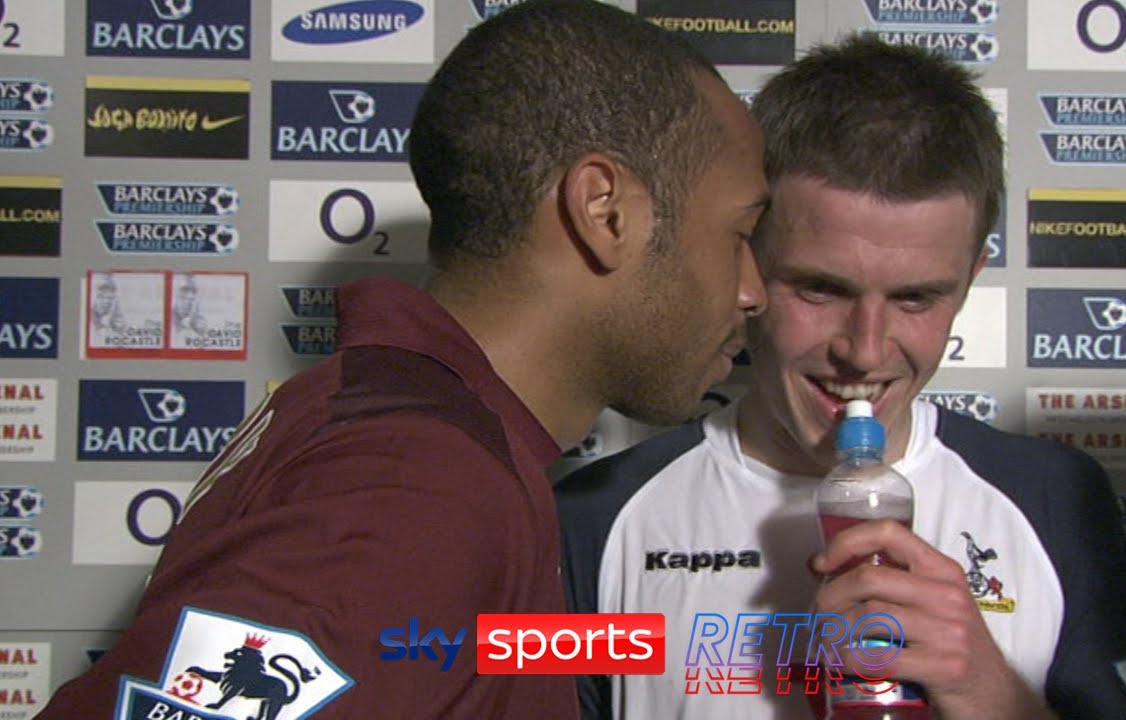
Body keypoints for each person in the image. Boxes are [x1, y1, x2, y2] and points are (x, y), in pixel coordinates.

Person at [39, 1, 767, 718]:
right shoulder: (414, 486)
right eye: (738, 234)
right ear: (605, 212)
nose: (752, 291)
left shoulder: (418, 443)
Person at [557, 34, 1126, 720]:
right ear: (749, 261)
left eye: (915, 298)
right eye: (820, 290)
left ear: (968, 282)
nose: (866, 352)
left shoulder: (1055, 500)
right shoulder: (599, 522)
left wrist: (990, 694)